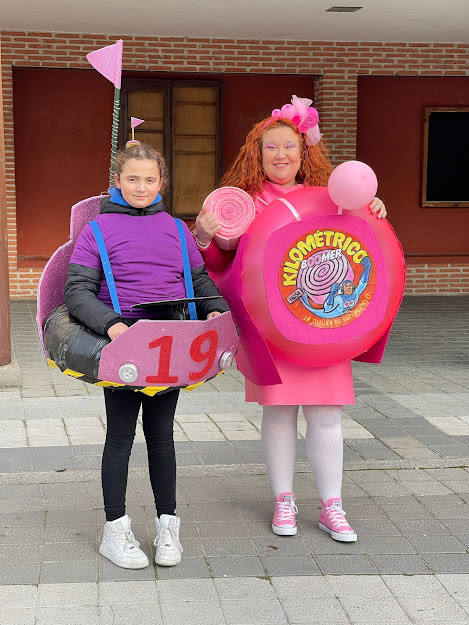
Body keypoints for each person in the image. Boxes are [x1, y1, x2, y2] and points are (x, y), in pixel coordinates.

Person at [194, 97, 386, 542]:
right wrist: (204, 233)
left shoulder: (329, 199)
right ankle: (284, 500)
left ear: (304, 152)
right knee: (278, 414)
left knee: (327, 416)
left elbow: (363, 246)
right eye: (270, 148)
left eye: (289, 147)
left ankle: (332, 506)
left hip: (325, 328)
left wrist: (374, 211)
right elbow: (219, 258)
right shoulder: (243, 203)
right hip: (270, 328)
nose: (280, 155)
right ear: (256, 155)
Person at [64, 142, 228, 568]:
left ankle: (167, 525)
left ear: (162, 183)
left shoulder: (176, 229)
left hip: (169, 344)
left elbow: (200, 280)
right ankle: (115, 530)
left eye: (150, 179)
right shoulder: (97, 230)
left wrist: (218, 315)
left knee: (162, 437)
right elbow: (77, 291)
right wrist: (114, 326)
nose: (141, 186)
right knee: (119, 438)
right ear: (117, 181)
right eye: (132, 178)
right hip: (121, 344)